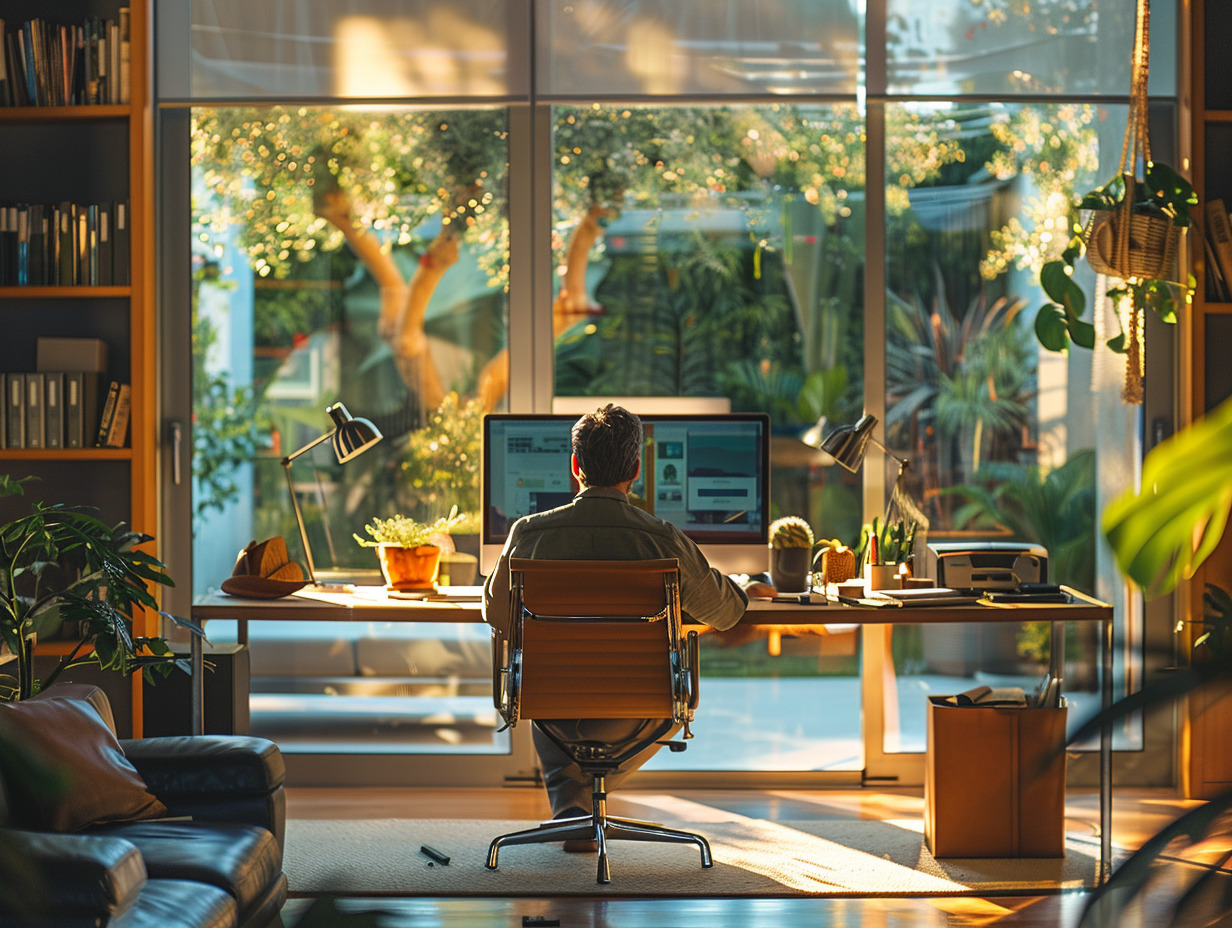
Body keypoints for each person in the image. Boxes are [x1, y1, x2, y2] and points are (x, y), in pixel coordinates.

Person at [483, 404, 772, 847]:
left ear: (575, 467)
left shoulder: (528, 534)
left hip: (551, 696)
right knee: (666, 689)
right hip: (641, 702)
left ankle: (573, 809)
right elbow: (726, 613)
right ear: (636, 469)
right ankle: (577, 810)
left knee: (549, 697)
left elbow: (496, 614)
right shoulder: (663, 538)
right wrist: (746, 590)